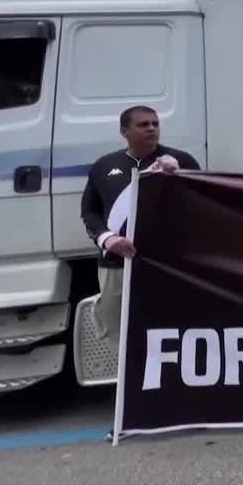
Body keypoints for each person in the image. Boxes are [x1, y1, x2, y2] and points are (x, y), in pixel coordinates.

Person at [81, 106, 200, 340]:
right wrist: (108, 239)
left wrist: (180, 176)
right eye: (143, 124)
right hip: (116, 265)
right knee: (119, 333)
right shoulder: (104, 165)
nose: (152, 129)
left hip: (166, 265)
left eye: (155, 124)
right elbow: (89, 212)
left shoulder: (181, 160)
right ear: (124, 131)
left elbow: (202, 205)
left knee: (169, 330)